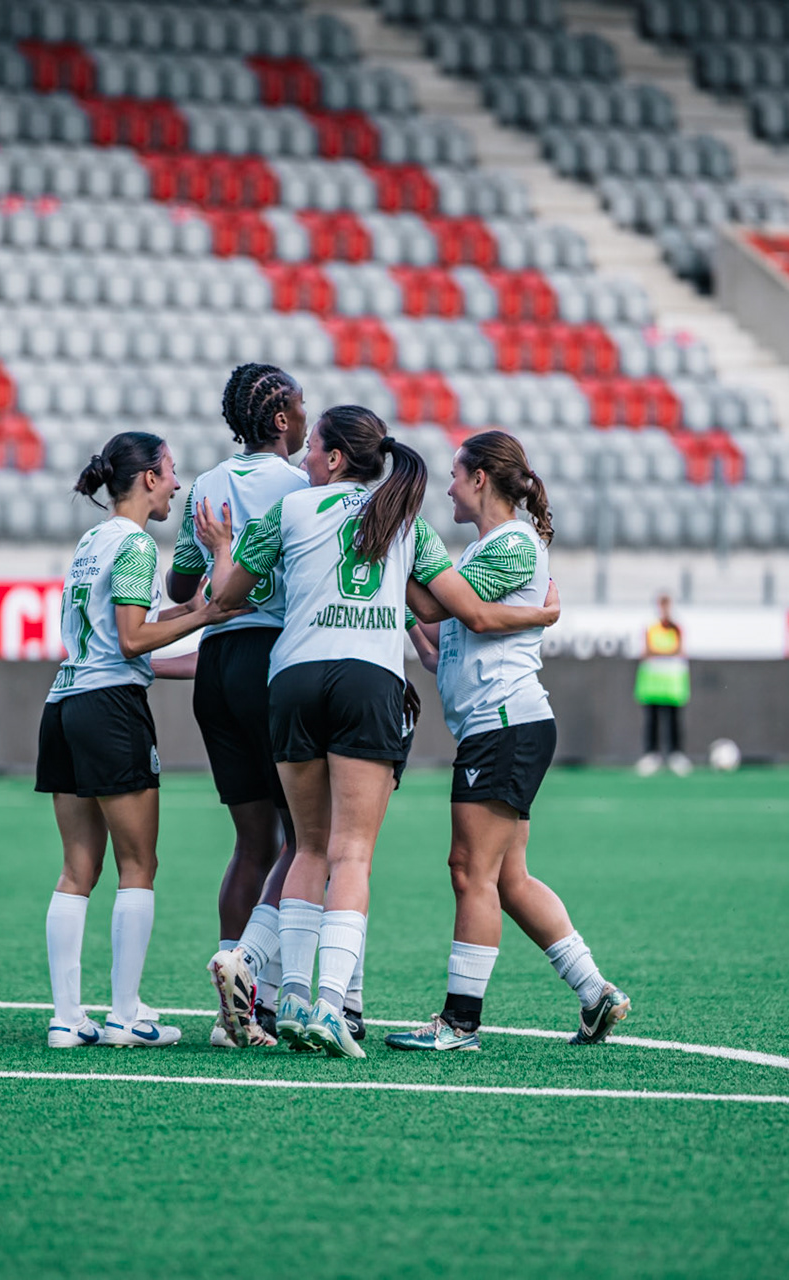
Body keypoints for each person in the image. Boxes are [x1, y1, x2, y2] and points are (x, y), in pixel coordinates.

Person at [199, 406, 559, 1058]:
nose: (303, 460)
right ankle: (330, 1007)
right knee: (352, 854)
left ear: (335, 459)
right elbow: (459, 609)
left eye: (311, 450)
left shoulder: (290, 512)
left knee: (306, 849)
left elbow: (225, 597)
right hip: (366, 679)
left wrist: (223, 549)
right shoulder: (403, 519)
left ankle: (286, 998)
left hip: (294, 678)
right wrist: (543, 612)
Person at [388, 431, 629, 1052]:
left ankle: (460, 1021)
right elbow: (438, 628)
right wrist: (401, 594)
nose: (447, 486)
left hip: (505, 724)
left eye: (455, 475)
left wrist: (542, 617)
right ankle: (594, 991)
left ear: (481, 480)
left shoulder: (514, 544)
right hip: (501, 725)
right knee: (507, 878)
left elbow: (468, 615)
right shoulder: (482, 553)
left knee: (469, 871)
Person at [40, 431, 243, 1049]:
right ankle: (126, 1015)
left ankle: (67, 1018)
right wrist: (206, 615)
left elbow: (124, 630)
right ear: (149, 478)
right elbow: (130, 642)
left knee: (77, 869)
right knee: (138, 865)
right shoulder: (134, 543)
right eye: (172, 472)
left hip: (64, 704)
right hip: (109, 709)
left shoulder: (92, 541)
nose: (178, 484)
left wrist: (191, 626)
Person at [166, 364, 310, 1049]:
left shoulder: (205, 487)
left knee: (252, 843)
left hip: (216, 665)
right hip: (276, 658)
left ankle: (236, 1010)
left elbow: (181, 581)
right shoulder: (304, 485)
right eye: (301, 404)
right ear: (281, 419)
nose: (309, 417)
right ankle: (259, 983)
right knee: (305, 837)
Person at [635, 594, 689, 777]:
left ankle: (675, 754)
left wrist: (661, 652)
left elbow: (680, 650)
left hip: (672, 683)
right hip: (653, 683)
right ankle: (652, 755)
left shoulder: (677, 627)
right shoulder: (651, 627)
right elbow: (648, 650)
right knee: (653, 720)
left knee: (674, 720)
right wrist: (667, 652)